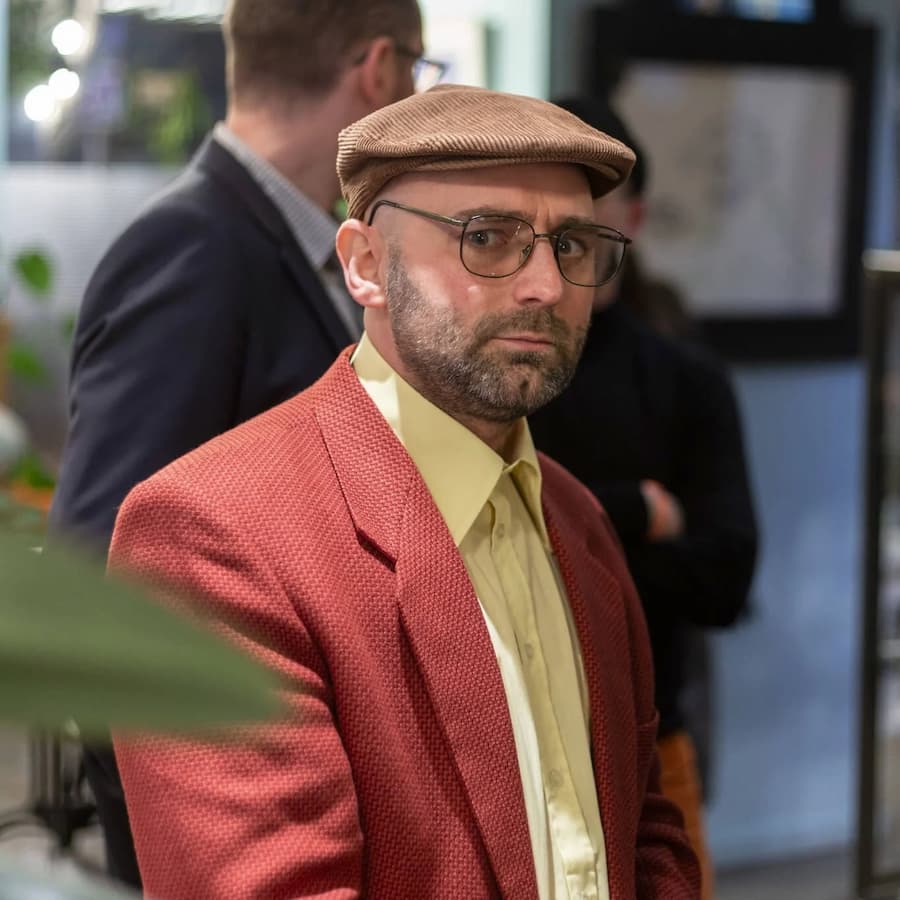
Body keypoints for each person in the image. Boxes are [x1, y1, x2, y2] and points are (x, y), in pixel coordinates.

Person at [108, 84, 700, 899]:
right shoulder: (217, 535)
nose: (544, 285)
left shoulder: (576, 519)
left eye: (571, 245)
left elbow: (643, 832)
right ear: (365, 265)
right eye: (487, 237)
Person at [49, 0, 427, 884]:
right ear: (378, 69)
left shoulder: (288, 244)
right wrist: (193, 819)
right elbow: (96, 573)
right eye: (417, 68)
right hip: (239, 835)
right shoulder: (197, 246)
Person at [530, 96, 759, 900]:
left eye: (587, 210)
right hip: (508, 736)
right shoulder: (492, 368)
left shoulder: (684, 377)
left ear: (630, 217)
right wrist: (632, 514)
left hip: (649, 736)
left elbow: (727, 575)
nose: (562, 242)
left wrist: (567, 550)